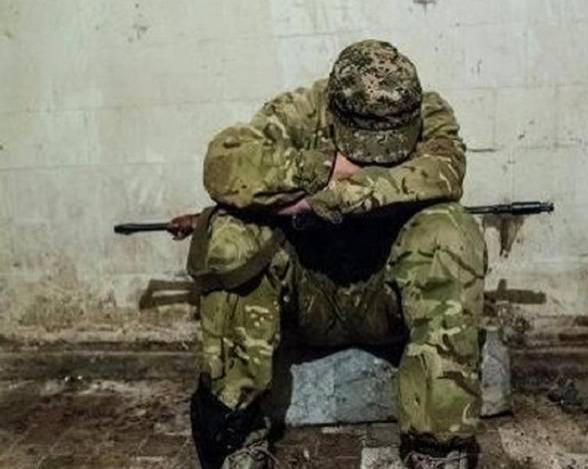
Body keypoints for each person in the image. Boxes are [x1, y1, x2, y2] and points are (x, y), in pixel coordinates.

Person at [169, 39, 487, 469]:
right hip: (307, 296)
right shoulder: (300, 111)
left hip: (386, 296)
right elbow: (224, 164)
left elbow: (443, 171)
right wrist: (322, 167)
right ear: (335, 112)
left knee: (451, 230)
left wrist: (334, 194)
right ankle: (234, 437)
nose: (376, 155)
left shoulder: (429, 112)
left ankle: (437, 449)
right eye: (364, 144)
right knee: (229, 233)